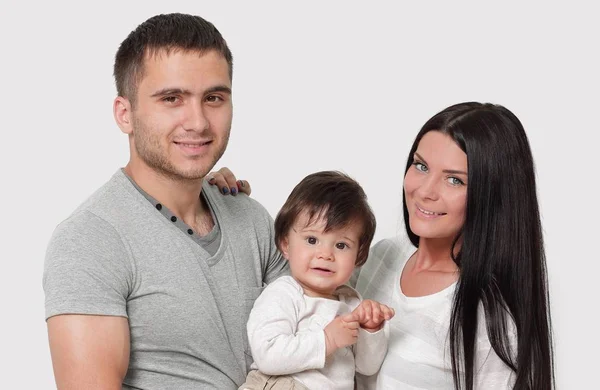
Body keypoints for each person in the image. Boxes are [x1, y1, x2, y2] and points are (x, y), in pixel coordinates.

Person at [209, 102, 555, 389]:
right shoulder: (382, 256)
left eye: (454, 179)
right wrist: (213, 199)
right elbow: (303, 268)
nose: (425, 190)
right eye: (420, 166)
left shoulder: (487, 317)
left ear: (493, 194)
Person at [42, 13, 288, 389]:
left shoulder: (252, 220)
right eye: (172, 98)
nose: (199, 122)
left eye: (214, 98)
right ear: (125, 114)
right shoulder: (90, 241)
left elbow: (324, 331)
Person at [239, 171, 395, 390]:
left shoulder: (352, 304)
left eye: (341, 245)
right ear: (286, 244)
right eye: (312, 240)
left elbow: (367, 368)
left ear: (359, 255)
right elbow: (267, 354)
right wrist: (327, 340)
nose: (325, 254)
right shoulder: (284, 293)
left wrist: (371, 330)